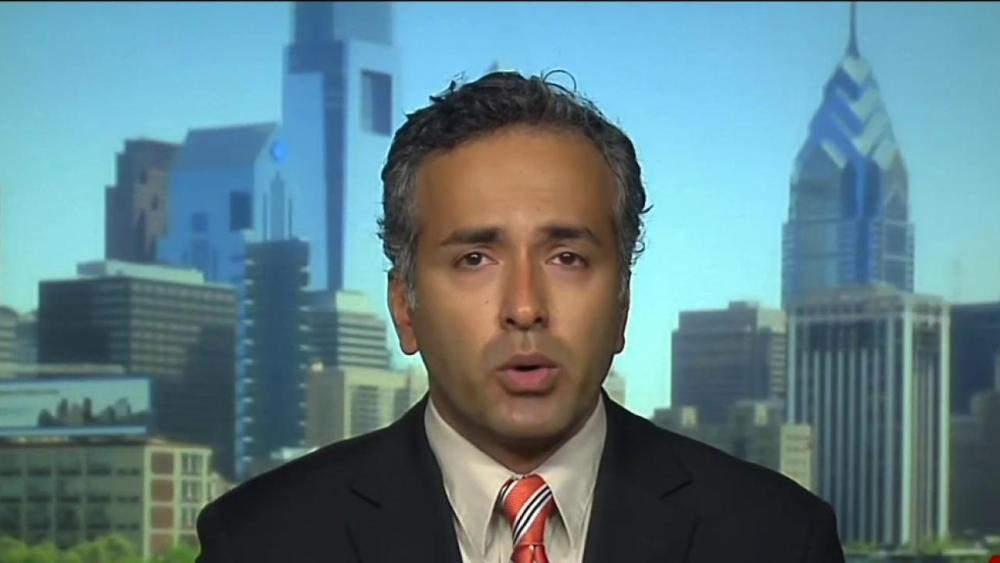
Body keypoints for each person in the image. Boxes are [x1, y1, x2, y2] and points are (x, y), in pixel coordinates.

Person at [195, 70, 844, 563]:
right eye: (475, 258)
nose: (526, 307)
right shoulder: (260, 542)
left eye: (567, 257)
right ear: (405, 307)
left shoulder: (778, 538)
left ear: (622, 302)